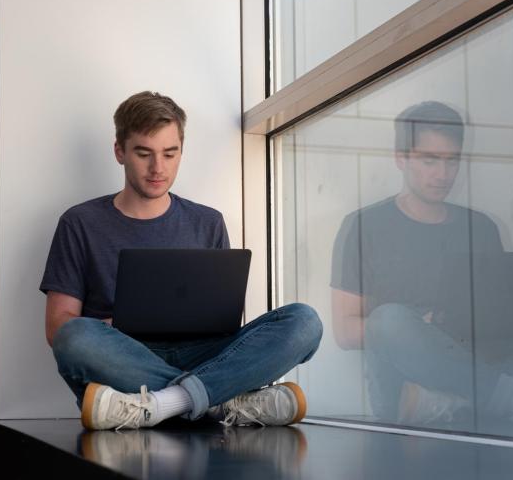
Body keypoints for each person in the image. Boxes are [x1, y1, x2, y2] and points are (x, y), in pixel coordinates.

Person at [40, 91, 323, 431]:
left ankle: (161, 404)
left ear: (180, 153)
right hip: (126, 358)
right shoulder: (80, 222)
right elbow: (58, 327)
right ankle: (219, 401)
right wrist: (110, 327)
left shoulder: (208, 222)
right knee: (75, 337)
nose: (158, 168)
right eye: (144, 154)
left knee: (304, 321)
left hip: (204, 354)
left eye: (169, 154)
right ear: (120, 152)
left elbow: (224, 319)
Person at [331, 101, 513, 428]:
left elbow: (501, 317)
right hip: (402, 379)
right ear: (401, 158)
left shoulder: (482, 227)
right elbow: (346, 331)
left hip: (476, 359)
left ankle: (458, 402)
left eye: (452, 161)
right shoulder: (364, 226)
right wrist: (424, 329)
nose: (442, 174)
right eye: (429, 160)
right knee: (388, 320)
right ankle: (503, 399)